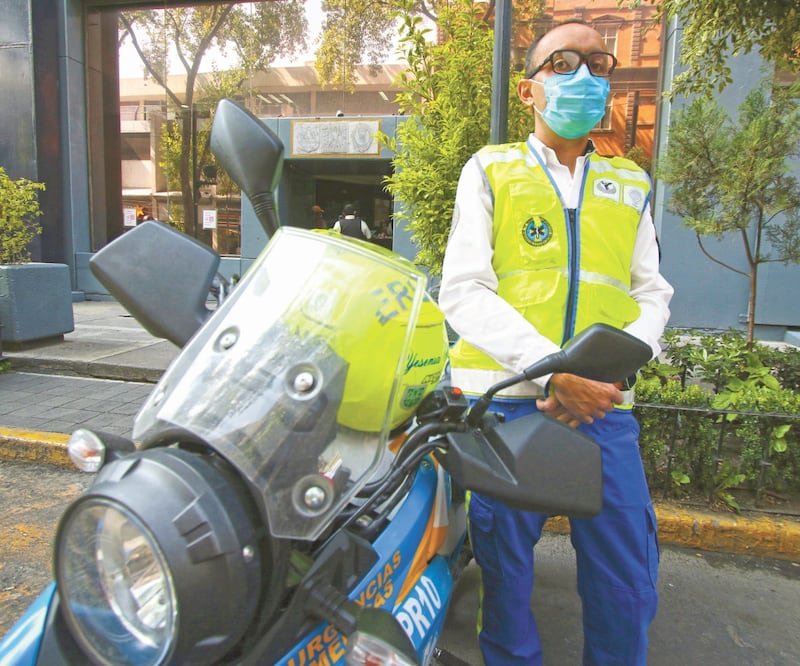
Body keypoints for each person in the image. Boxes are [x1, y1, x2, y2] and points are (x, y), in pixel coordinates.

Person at [437, 20, 674, 666]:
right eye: (563, 63)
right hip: (508, 408)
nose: (584, 76)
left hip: (603, 410)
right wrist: (552, 372)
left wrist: (604, 376)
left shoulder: (630, 183)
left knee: (626, 587)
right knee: (505, 585)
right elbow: (463, 290)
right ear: (528, 90)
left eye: (598, 64)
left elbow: (653, 294)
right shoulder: (490, 171)